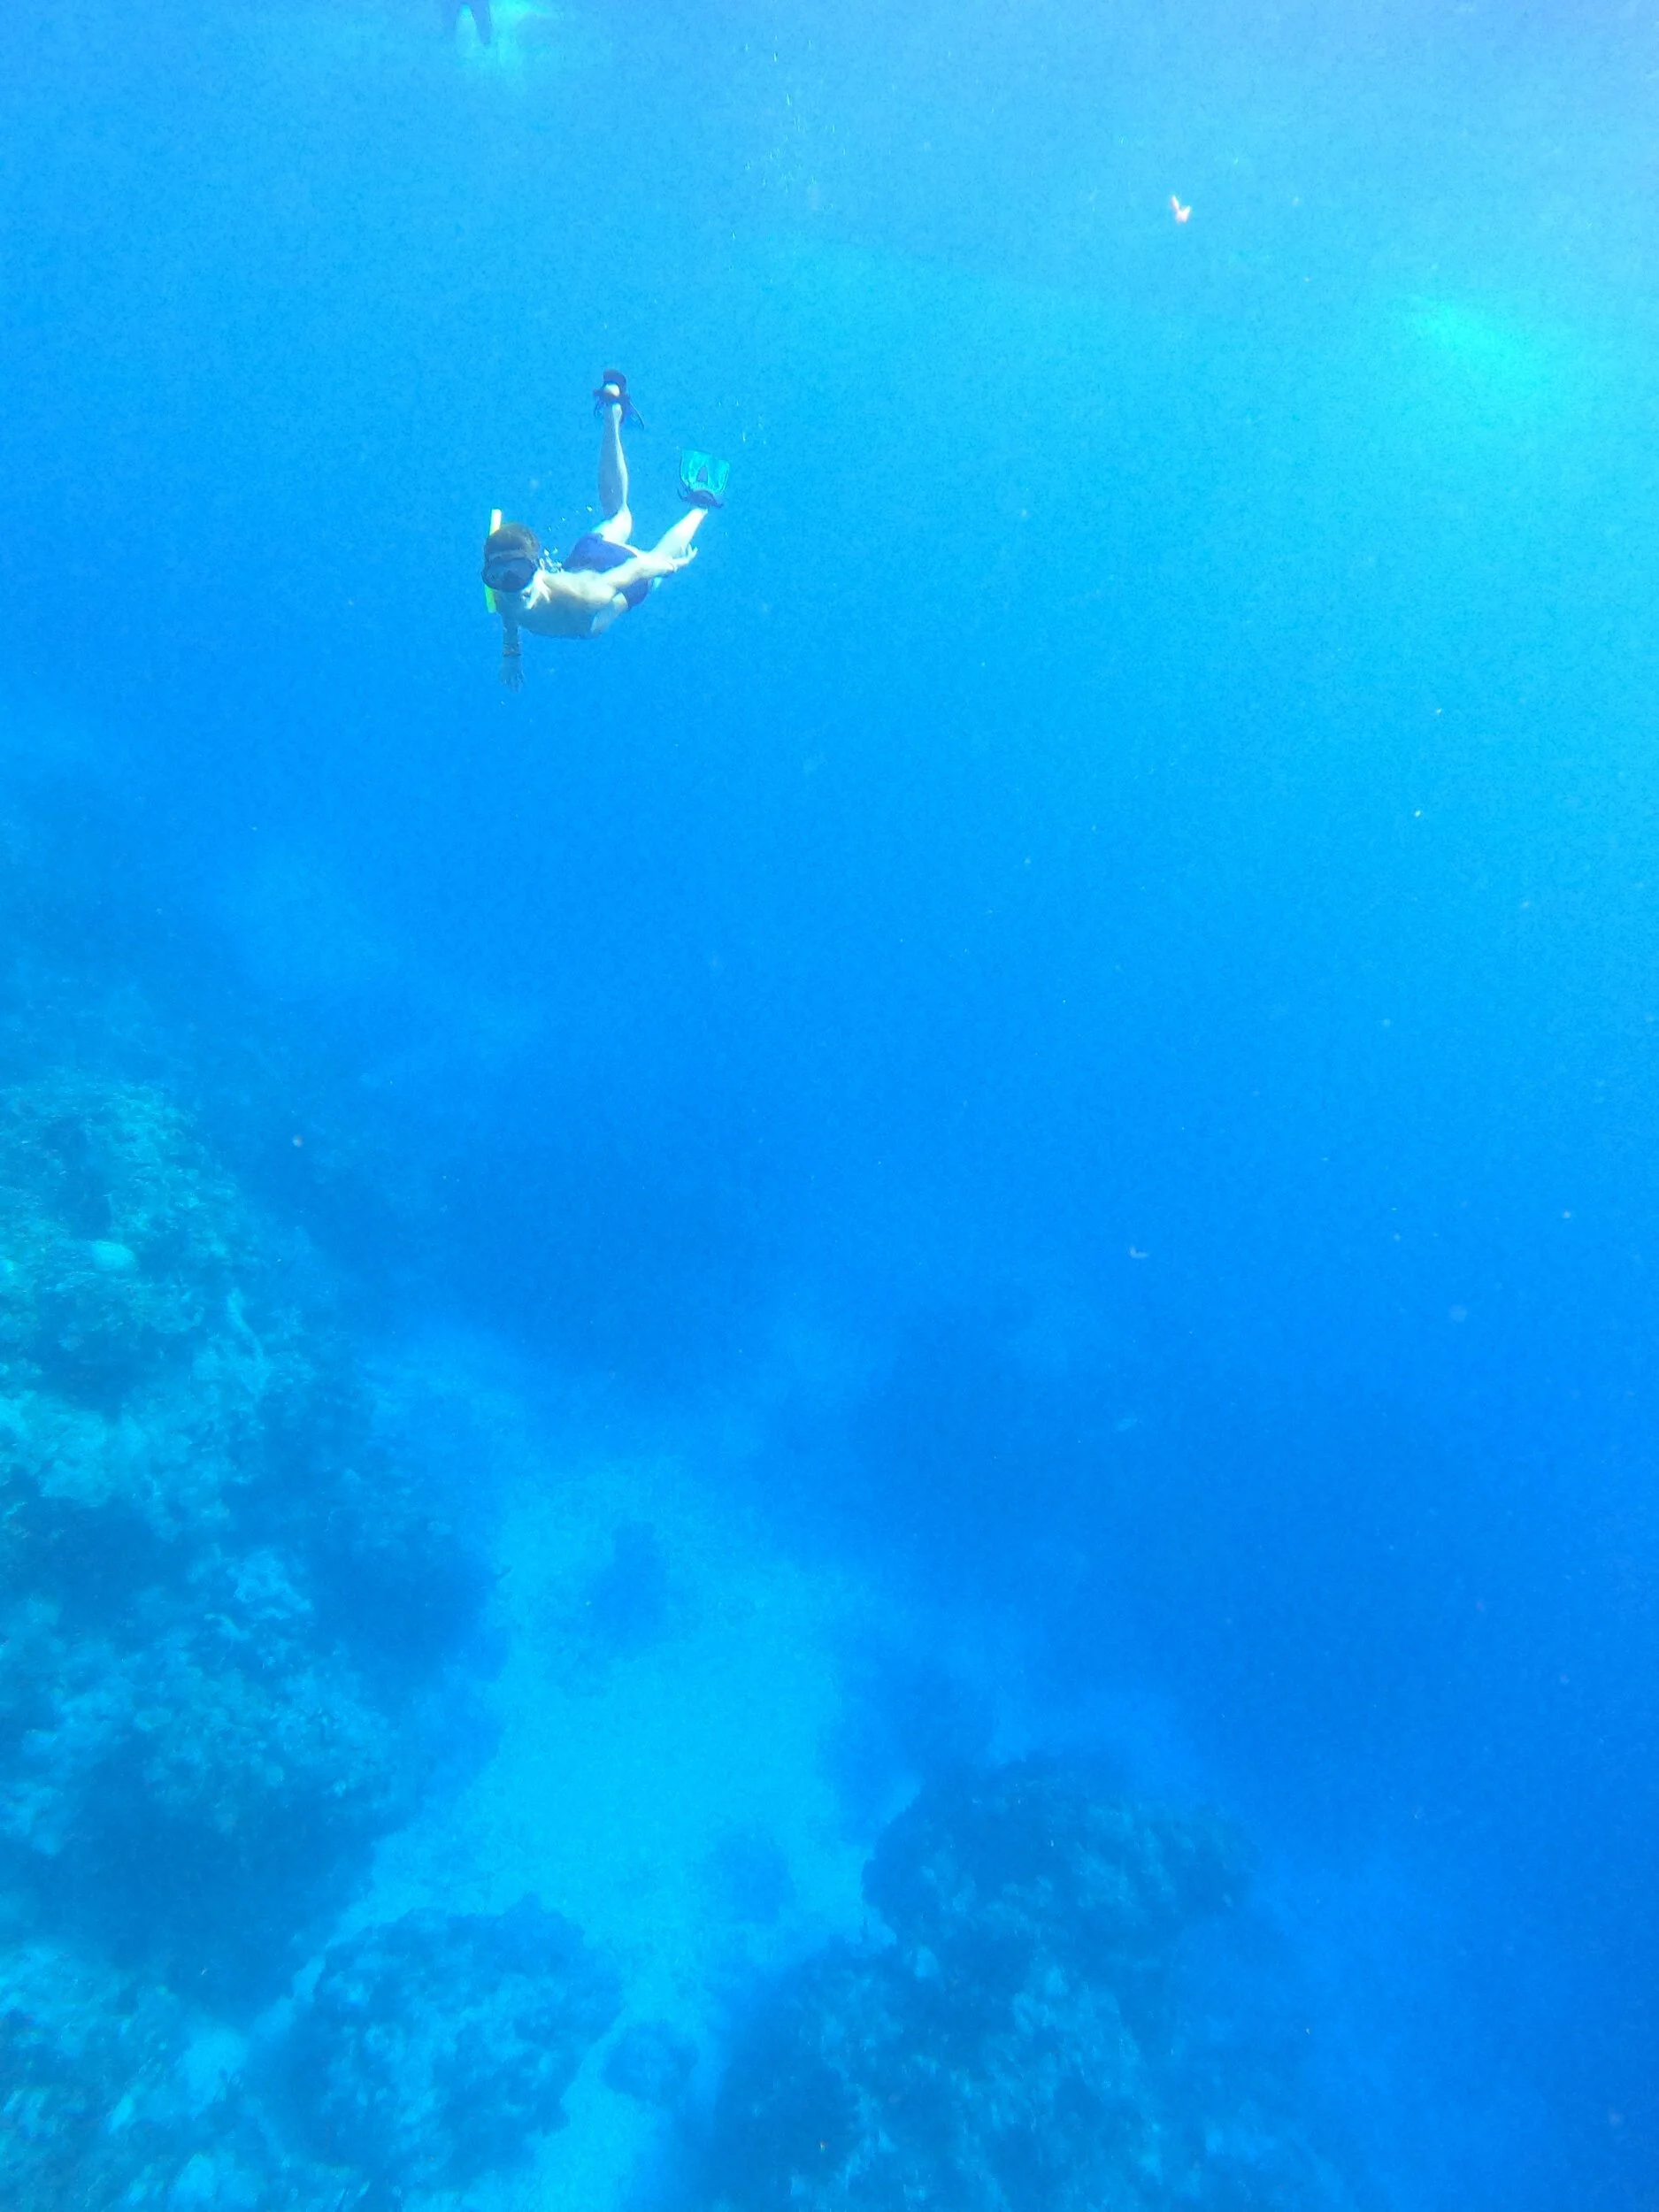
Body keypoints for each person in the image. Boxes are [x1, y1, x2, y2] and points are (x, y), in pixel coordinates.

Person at [481, 373, 726, 691]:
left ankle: (701, 503)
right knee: (620, 515)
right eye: (498, 576)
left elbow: (638, 567)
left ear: (538, 567)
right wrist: (511, 655)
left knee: (660, 557)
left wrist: (671, 566)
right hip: (587, 554)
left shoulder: (587, 595)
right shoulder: (504, 597)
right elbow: (510, 620)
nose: (511, 585)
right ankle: (612, 409)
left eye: (518, 571)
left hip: (613, 580)